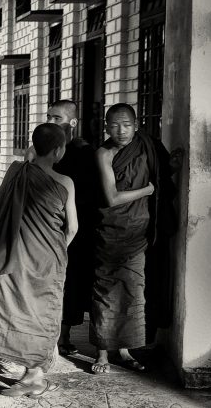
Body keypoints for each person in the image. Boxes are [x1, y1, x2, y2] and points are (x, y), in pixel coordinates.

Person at [0, 123, 77, 398]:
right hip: (49, 260)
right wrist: (56, 251)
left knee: (17, 310)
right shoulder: (65, 183)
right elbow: (73, 228)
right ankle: (34, 376)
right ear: (59, 150)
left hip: (17, 257)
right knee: (41, 315)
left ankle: (33, 374)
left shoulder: (17, 174)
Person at [90, 103, 157, 374]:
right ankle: (102, 353)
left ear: (136, 125)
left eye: (127, 124)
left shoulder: (145, 147)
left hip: (137, 233)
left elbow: (161, 173)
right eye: (115, 125)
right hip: (110, 231)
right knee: (105, 292)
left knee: (132, 292)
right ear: (107, 127)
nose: (121, 130)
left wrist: (170, 168)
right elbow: (112, 197)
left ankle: (125, 350)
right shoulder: (103, 153)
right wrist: (147, 190)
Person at [36, 100, 99, 356]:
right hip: (45, 229)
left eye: (57, 118)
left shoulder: (85, 152)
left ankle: (64, 336)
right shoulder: (40, 150)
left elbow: (92, 194)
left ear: (72, 123)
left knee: (72, 284)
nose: (51, 122)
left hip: (77, 230)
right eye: (48, 117)